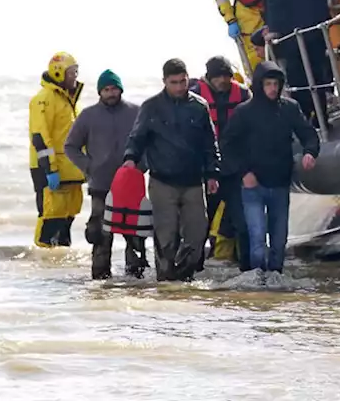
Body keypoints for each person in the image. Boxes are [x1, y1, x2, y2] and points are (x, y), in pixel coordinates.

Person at [220, 62, 320, 283]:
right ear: (259, 85)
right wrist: (243, 172)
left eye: (276, 84)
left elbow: (308, 134)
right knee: (256, 237)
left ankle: (276, 280)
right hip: (252, 185)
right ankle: (257, 281)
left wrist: (310, 152)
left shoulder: (289, 108)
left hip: (280, 183)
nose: (273, 88)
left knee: (279, 240)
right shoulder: (243, 112)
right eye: (268, 84)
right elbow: (227, 145)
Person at [122, 59, 220, 282]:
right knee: (165, 238)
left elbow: (210, 144)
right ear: (164, 81)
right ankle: (166, 283)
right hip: (162, 181)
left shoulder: (199, 106)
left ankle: (183, 280)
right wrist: (130, 159)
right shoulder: (151, 106)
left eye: (183, 81)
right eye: (174, 82)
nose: (179, 87)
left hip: (194, 182)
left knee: (196, 236)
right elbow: (136, 138)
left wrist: (213, 173)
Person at [64, 69, 146, 280]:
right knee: (100, 235)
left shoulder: (137, 113)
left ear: (120, 89)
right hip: (101, 185)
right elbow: (70, 146)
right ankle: (100, 281)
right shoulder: (88, 116)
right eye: (106, 90)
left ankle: (135, 279)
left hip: (130, 186)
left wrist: (141, 166)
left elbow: (150, 144)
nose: (111, 93)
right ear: (100, 92)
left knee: (134, 235)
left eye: (114, 89)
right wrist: (88, 166)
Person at [254, 0, 335, 130]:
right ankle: (320, 118)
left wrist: (274, 28)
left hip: (293, 35)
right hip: (315, 26)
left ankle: (307, 122)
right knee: (317, 73)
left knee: (299, 78)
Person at [190, 56, 253, 269]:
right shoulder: (195, 96)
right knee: (201, 225)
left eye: (226, 76)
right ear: (209, 78)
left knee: (243, 225)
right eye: (218, 77)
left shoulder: (243, 94)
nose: (223, 81)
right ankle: (193, 269)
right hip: (207, 172)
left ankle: (248, 271)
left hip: (235, 171)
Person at [29, 52, 84, 248]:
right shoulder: (44, 99)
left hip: (69, 170)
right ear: (59, 73)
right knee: (50, 220)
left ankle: (58, 271)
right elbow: (41, 137)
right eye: (72, 72)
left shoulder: (68, 100)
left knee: (66, 220)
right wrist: (50, 169)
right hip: (50, 170)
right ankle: (42, 269)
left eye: (76, 72)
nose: (75, 76)